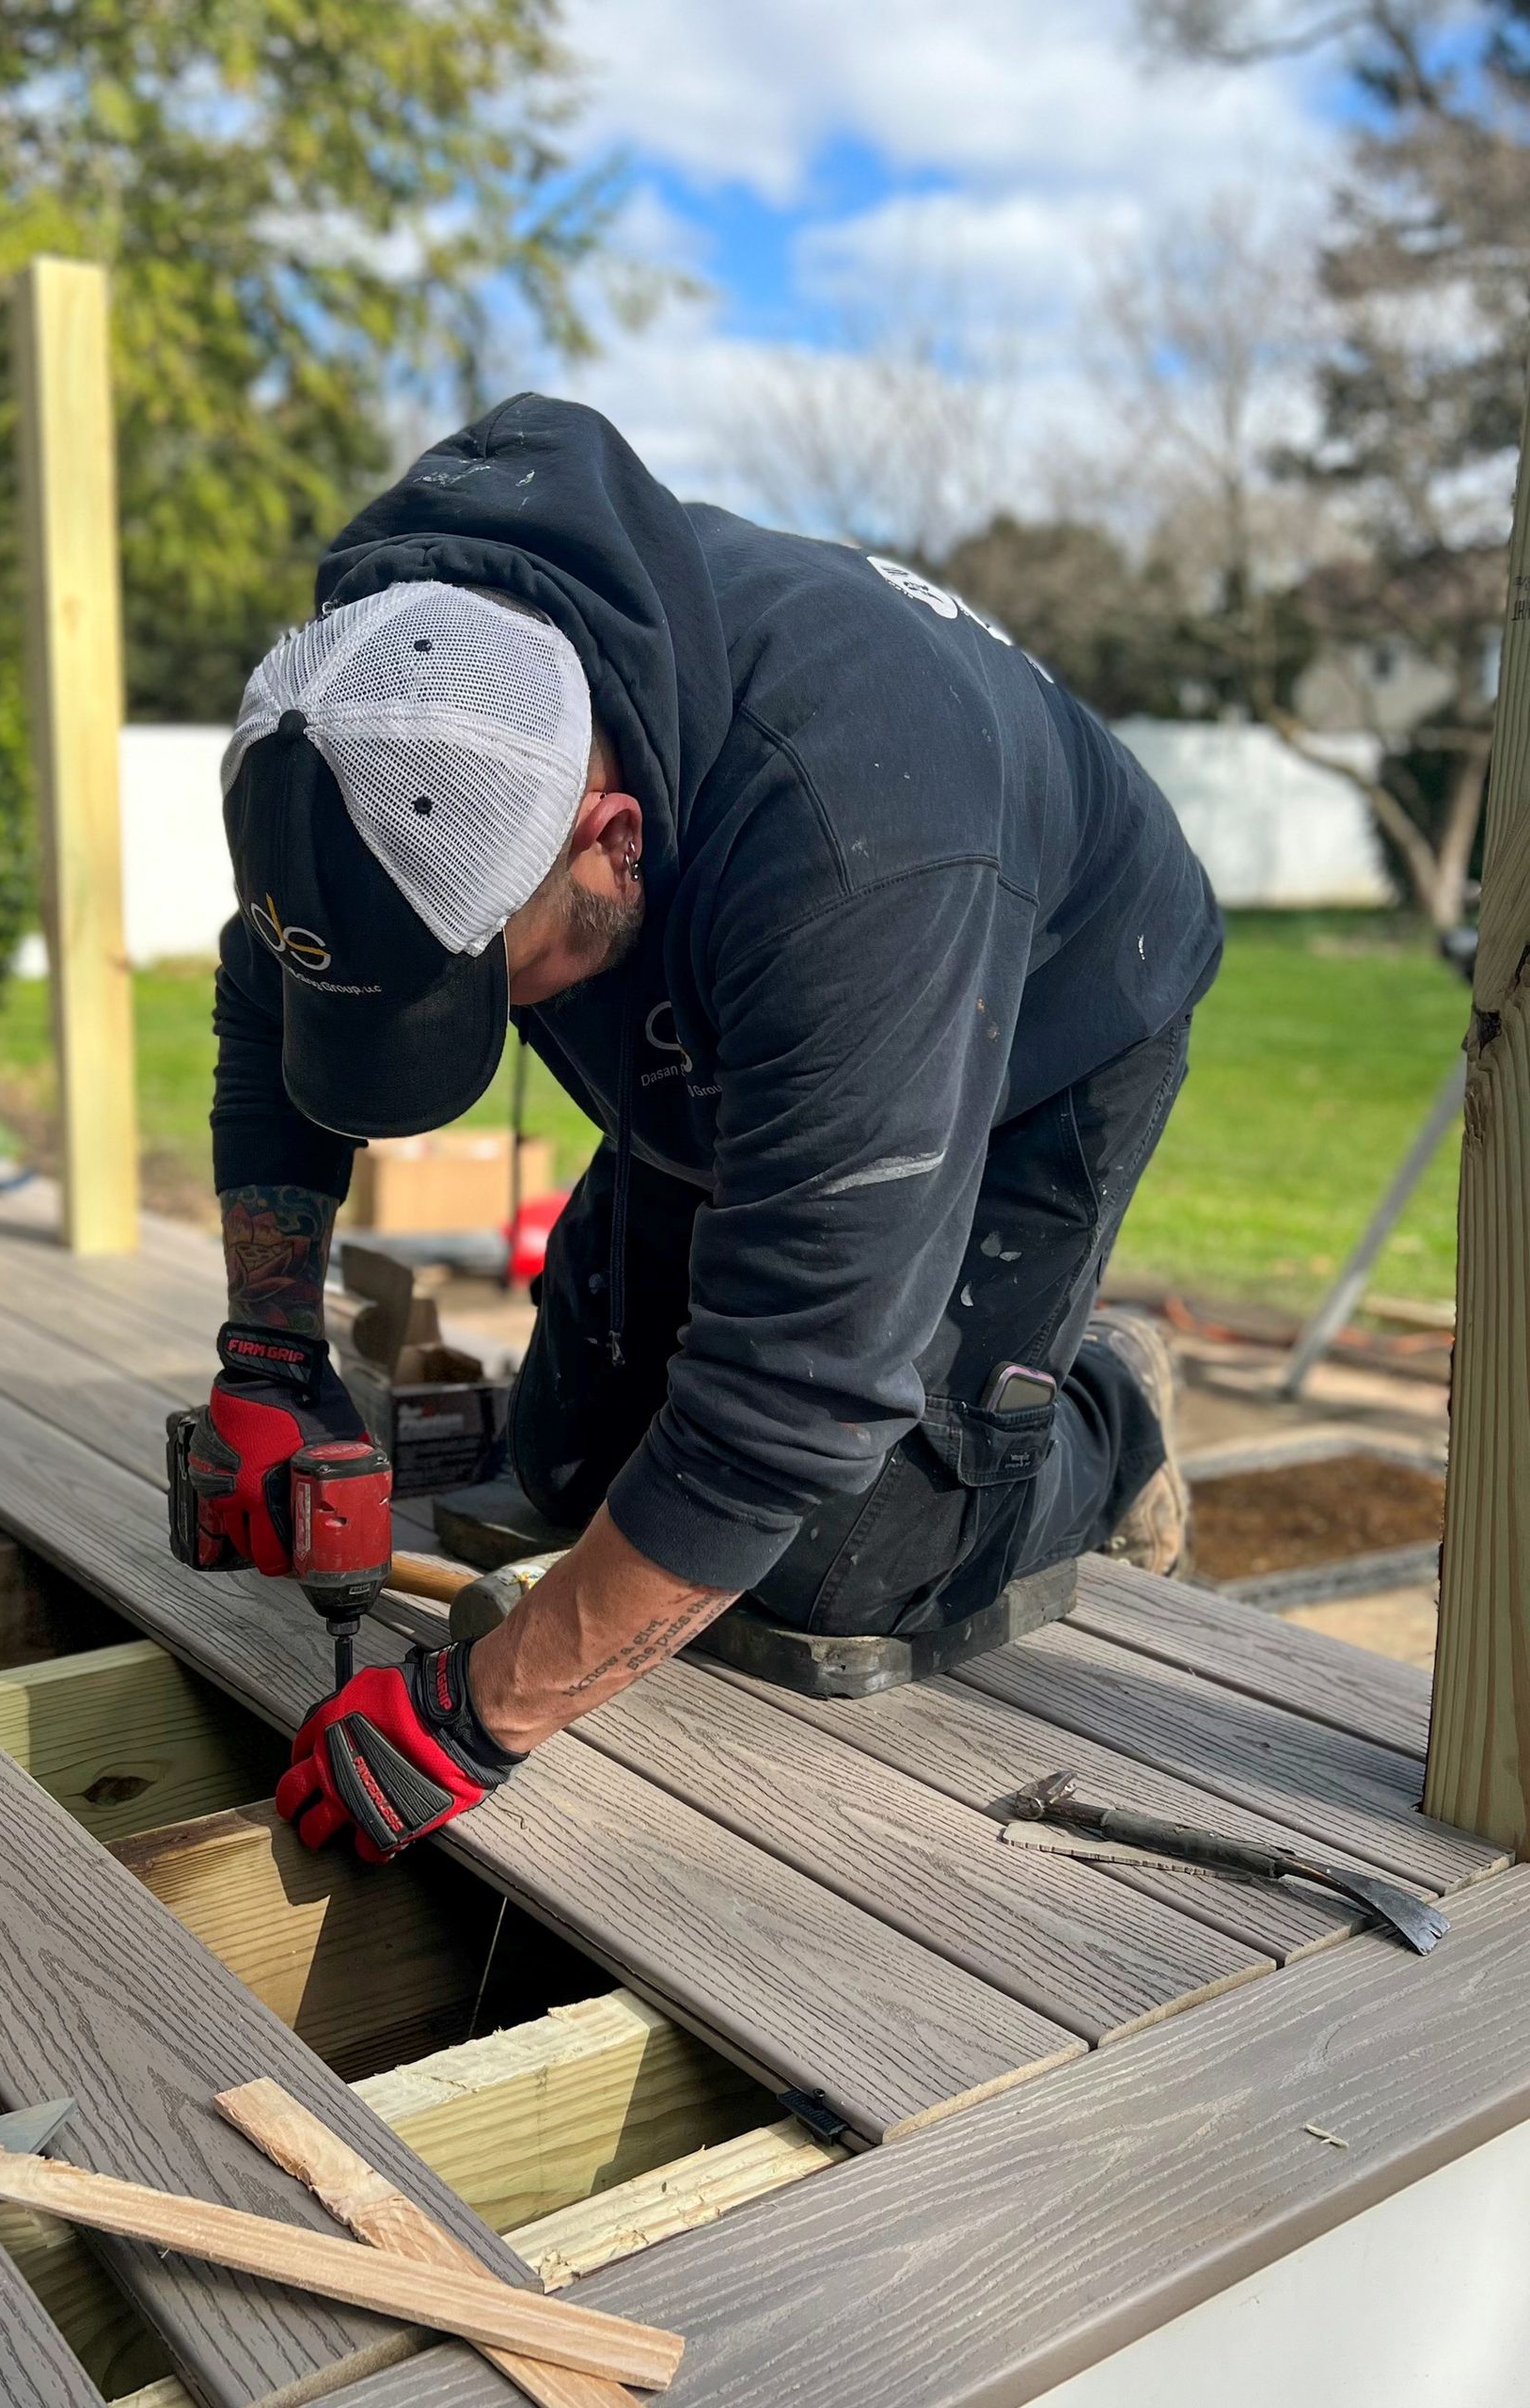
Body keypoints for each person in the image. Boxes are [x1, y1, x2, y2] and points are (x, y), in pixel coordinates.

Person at [181, 395, 1221, 1865]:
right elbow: (266, 1010)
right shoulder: (373, 728)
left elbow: (792, 1399)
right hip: (731, 982)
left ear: (612, 837)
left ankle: (1106, 1414)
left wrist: (478, 1712)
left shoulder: (858, 849)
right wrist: (271, 1355)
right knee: (569, 1461)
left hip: (1039, 1026)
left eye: (495, 985)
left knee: (833, 1555)